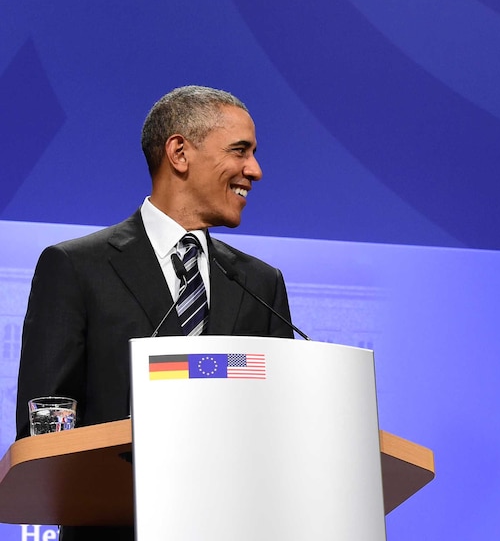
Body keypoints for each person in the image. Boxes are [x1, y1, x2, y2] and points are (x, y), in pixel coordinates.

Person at [15, 86, 296, 540]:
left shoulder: (260, 283)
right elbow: (44, 428)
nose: (256, 170)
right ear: (179, 153)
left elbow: (287, 421)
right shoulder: (76, 267)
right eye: (240, 151)